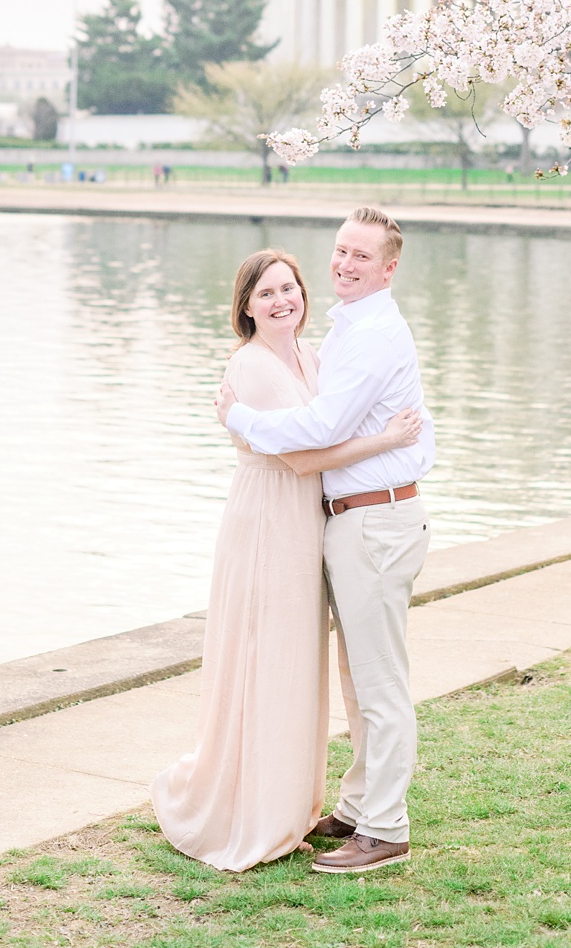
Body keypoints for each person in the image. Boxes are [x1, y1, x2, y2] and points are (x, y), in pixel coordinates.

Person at [153, 251, 424, 871]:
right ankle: (255, 812)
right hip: (270, 521)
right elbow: (303, 458)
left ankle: (293, 801)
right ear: (245, 306)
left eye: (290, 288)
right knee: (266, 663)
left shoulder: (309, 356)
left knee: (298, 666)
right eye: (267, 293)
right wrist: (388, 439)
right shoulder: (249, 368)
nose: (282, 301)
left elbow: (329, 425)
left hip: (309, 523)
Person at [218, 205, 436, 872]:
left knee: (379, 683)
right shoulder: (348, 329)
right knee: (358, 678)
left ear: (388, 267)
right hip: (355, 518)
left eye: (362, 256)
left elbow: (320, 427)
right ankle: (359, 805)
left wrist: (243, 422)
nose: (344, 263)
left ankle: (386, 829)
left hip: (374, 519)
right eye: (341, 250)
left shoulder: (370, 335)